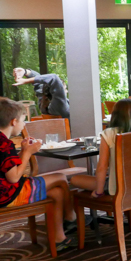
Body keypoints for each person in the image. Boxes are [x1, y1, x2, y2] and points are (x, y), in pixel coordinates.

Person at [70, 99, 131, 233]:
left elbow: (101, 167)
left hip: (119, 187)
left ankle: (72, 219)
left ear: (115, 115)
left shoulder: (109, 133)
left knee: (74, 180)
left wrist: (99, 191)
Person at [0, 98, 77, 252]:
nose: (24, 124)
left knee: (57, 192)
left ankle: (59, 239)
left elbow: (9, 167)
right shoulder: (4, 144)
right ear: (14, 122)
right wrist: (28, 152)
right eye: (23, 120)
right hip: (8, 194)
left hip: (6, 190)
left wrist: (22, 151)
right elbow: (14, 177)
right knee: (61, 178)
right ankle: (71, 218)